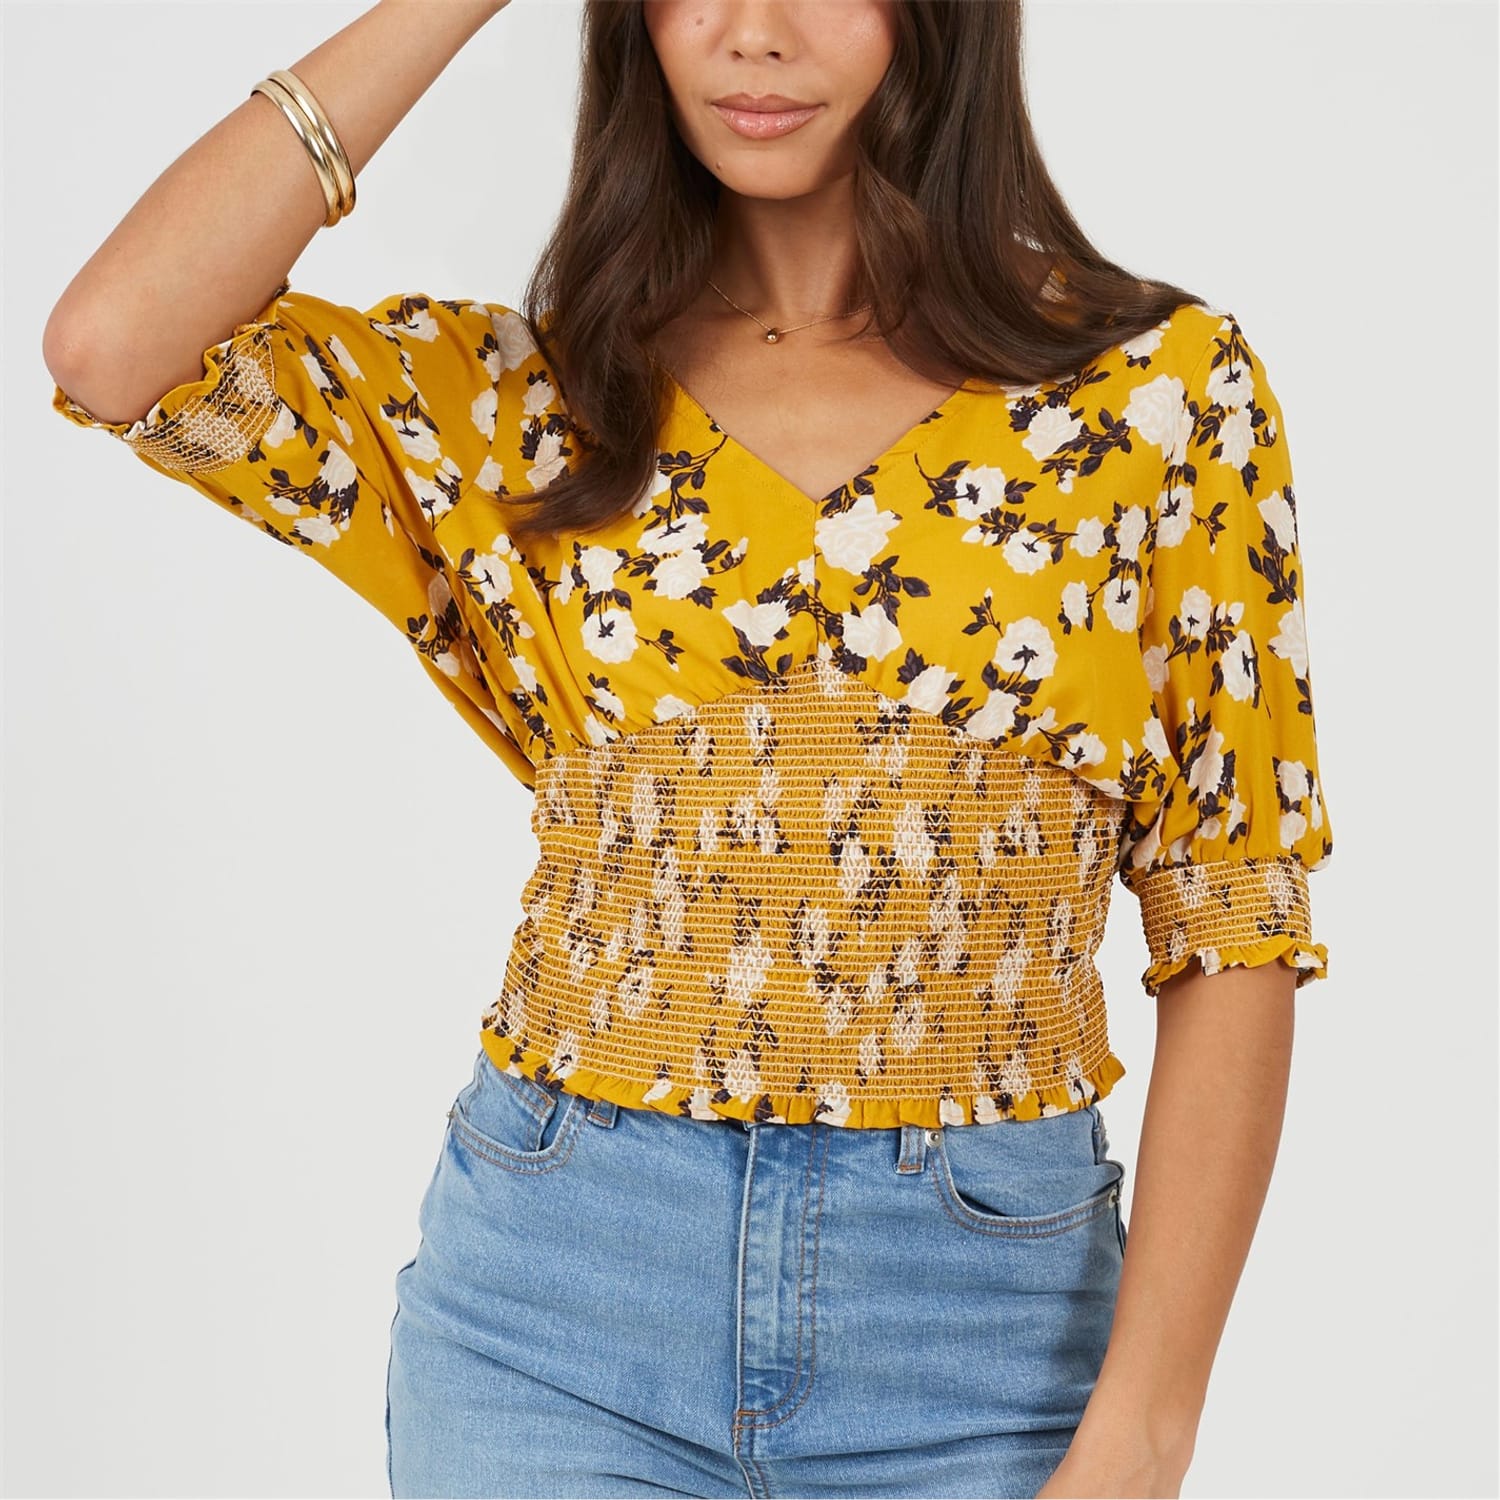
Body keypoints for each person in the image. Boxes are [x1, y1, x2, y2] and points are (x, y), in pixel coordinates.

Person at [43, 1, 1334, 1496]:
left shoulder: (1157, 394)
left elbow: (1232, 909)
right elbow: (117, 346)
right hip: (554, 1315)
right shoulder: (528, 403)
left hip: (988, 1341)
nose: (752, 33)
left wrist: (1146, 1427)